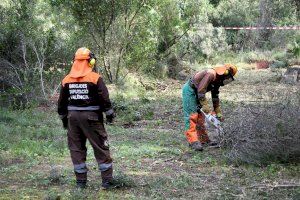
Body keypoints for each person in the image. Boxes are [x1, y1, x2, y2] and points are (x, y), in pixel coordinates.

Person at [57, 47, 116, 189]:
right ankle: (107, 182)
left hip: (73, 118)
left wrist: (64, 119)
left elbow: (62, 103)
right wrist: (109, 114)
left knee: (76, 148)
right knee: (101, 146)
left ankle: (80, 182)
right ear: (91, 62)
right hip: (92, 118)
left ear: (74, 62)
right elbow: (104, 99)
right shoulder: (95, 78)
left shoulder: (66, 80)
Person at [182, 64, 238, 151]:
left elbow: (215, 96)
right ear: (225, 73)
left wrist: (218, 112)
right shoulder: (211, 73)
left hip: (198, 93)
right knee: (192, 116)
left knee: (200, 117)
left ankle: (203, 140)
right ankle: (193, 142)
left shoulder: (218, 80)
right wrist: (205, 106)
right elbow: (201, 91)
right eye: (228, 77)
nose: (227, 80)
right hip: (190, 90)